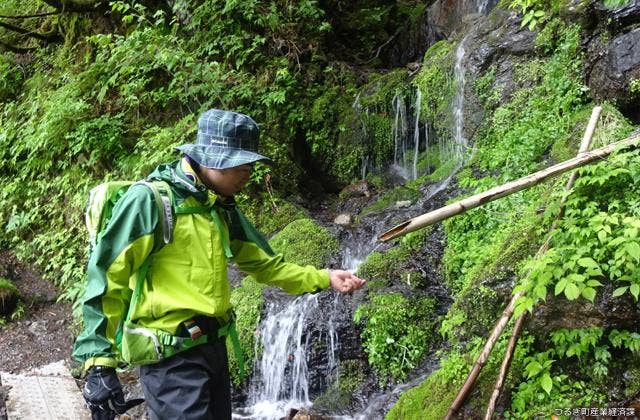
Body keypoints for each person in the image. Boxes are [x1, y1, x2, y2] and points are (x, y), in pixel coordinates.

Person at [73, 109, 366, 420]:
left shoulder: (221, 207)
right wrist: (99, 362)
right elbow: (106, 276)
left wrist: (324, 277)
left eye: (251, 167)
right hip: (170, 358)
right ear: (212, 159)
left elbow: (265, 264)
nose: (247, 175)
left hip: (213, 348)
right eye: (241, 166)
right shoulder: (151, 203)